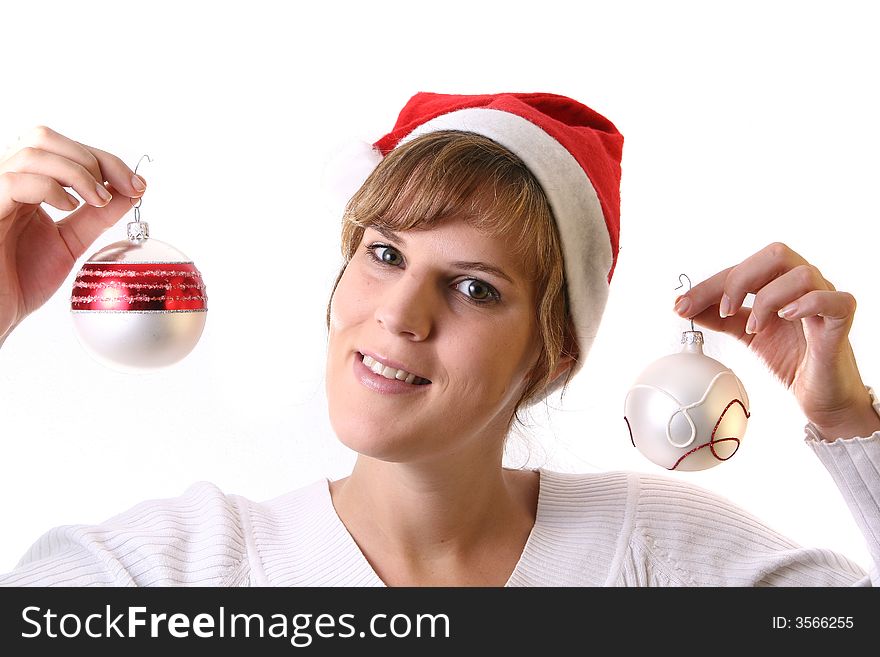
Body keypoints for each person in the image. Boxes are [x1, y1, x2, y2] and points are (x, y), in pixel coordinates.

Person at [0, 92, 878, 587]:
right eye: (384, 253)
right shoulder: (170, 574)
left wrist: (850, 423)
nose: (400, 313)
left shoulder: (666, 559)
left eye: (473, 286)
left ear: (552, 350)